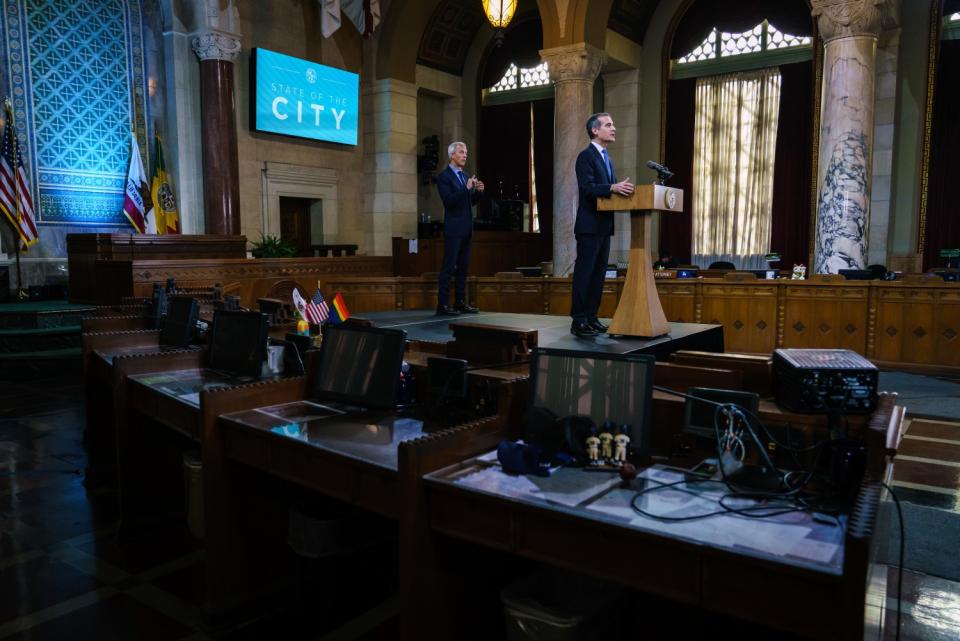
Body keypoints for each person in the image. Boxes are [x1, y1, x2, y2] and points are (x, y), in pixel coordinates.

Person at [571, 113, 634, 337]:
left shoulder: (607, 158)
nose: (614, 128)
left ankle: (591, 317)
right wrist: (612, 187)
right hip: (589, 226)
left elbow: (609, 189)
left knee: (598, 275)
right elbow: (587, 188)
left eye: (613, 124)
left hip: (604, 226)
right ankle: (578, 320)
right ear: (595, 131)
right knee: (585, 274)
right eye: (609, 125)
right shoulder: (585, 156)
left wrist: (623, 190)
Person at [436, 141, 485, 315]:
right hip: (453, 229)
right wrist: (466, 189)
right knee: (449, 267)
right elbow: (449, 202)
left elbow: (468, 202)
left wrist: (478, 192)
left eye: (466, 152)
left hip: (466, 229)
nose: (465, 155)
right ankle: (442, 305)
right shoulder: (444, 177)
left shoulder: (465, 177)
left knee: (463, 267)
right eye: (461, 152)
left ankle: (459, 302)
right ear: (452, 155)